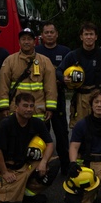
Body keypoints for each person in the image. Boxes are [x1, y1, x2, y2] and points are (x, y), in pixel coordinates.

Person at [0, 92, 59, 203]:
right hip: (10, 168)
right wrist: (5, 172)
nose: (29, 109)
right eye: (25, 106)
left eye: (31, 106)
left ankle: (29, 193)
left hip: (27, 165)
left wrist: (43, 162)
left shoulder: (37, 123)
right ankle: (15, 189)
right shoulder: (5, 124)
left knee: (54, 163)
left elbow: (50, 143)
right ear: (16, 108)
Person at [0, 27, 58, 121]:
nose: (26, 42)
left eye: (29, 39)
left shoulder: (45, 61)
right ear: (19, 42)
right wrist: (4, 107)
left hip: (38, 112)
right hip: (16, 112)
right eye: (23, 39)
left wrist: (50, 107)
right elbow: (3, 85)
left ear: (34, 42)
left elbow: (51, 87)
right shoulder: (10, 61)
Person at [61, 21, 101, 127]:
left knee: (99, 126)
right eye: (86, 34)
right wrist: (63, 78)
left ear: (96, 37)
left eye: (91, 34)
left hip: (97, 97)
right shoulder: (73, 55)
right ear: (81, 37)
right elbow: (59, 70)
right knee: (80, 127)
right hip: (80, 98)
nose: (88, 37)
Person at [36, 22, 72, 165]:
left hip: (59, 97)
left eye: (52, 32)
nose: (49, 35)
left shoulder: (65, 52)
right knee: (42, 132)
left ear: (57, 34)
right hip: (40, 98)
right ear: (42, 35)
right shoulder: (36, 51)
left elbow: (72, 73)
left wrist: (63, 81)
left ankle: (65, 166)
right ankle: (43, 165)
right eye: (46, 32)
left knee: (61, 132)